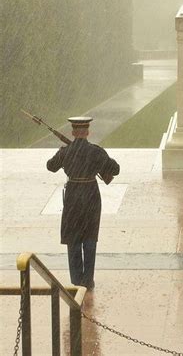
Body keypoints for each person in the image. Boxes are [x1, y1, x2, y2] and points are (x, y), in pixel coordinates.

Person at [47, 117, 120, 289]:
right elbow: (115, 169)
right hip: (91, 196)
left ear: (73, 132)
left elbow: (50, 166)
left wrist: (64, 152)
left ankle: (76, 280)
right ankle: (88, 279)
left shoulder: (66, 152)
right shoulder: (96, 151)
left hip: (73, 196)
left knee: (73, 238)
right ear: (87, 132)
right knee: (89, 238)